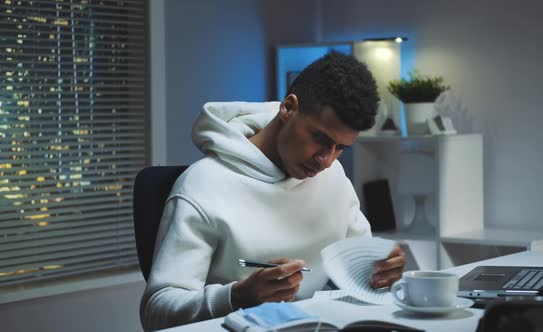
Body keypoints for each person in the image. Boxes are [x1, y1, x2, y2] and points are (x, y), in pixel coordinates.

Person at [140, 51, 406, 330]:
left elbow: (360, 270)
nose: (326, 160)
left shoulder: (334, 178)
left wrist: (380, 273)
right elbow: (155, 311)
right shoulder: (202, 185)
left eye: (340, 148)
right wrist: (236, 297)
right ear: (289, 108)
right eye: (319, 138)